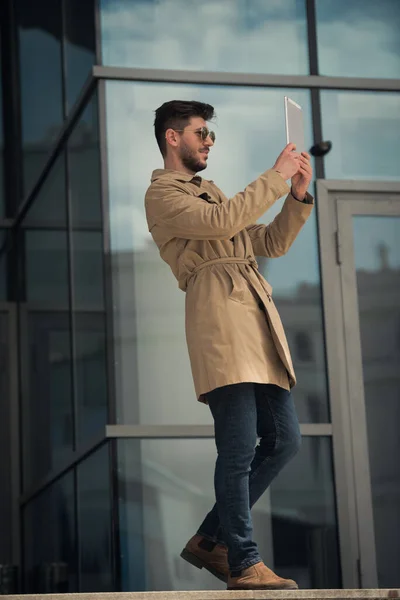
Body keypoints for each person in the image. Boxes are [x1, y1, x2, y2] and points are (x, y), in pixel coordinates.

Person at [145, 100, 313, 591]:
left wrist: (295, 197)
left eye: (212, 135)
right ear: (173, 137)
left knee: (285, 441)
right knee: (238, 449)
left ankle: (208, 540)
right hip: (220, 319)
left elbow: (269, 242)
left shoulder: (211, 192)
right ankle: (243, 561)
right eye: (202, 133)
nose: (210, 141)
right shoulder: (162, 194)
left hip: (255, 320)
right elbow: (224, 224)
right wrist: (275, 176)